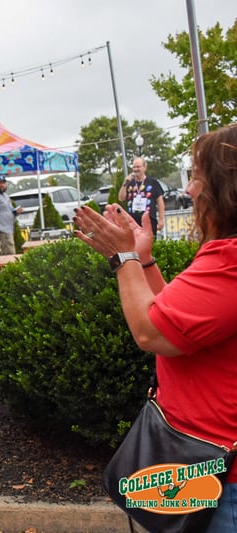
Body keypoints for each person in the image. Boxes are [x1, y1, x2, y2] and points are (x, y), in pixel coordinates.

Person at [73, 122, 237, 531]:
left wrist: (123, 259)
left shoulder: (231, 261)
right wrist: (142, 261)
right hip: (200, 462)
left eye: (199, 179)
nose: (193, 191)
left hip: (219, 474)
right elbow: (178, 321)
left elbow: (152, 332)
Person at [117, 157, 165, 237]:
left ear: (144, 167)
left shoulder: (153, 182)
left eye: (138, 167)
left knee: (150, 244)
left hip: (149, 221)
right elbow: (121, 198)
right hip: (133, 222)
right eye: (134, 167)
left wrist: (161, 220)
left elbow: (160, 202)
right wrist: (125, 183)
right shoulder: (129, 182)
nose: (135, 169)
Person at [0, 175, 23, 255]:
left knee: (9, 255)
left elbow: (10, 211)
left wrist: (16, 212)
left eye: (3, 182)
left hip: (8, 229)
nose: (1, 185)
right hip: (2, 230)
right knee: (9, 255)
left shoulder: (5, 196)